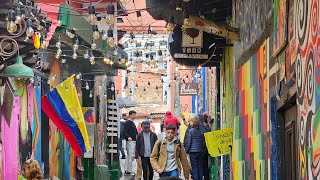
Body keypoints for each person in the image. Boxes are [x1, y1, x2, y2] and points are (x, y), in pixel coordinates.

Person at [184, 114, 205, 180]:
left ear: (192, 122)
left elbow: (188, 142)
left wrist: (186, 150)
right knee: (200, 167)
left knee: (194, 168)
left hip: (193, 152)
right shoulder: (201, 131)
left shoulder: (190, 131)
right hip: (200, 151)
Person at [123, 110, 138, 176]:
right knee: (130, 156)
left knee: (130, 156)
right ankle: (129, 170)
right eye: (133, 114)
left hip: (133, 140)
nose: (134, 116)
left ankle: (127, 169)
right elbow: (124, 131)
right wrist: (128, 137)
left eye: (135, 114)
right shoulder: (128, 123)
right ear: (130, 115)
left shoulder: (132, 123)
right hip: (130, 141)